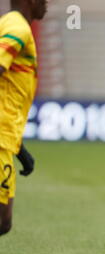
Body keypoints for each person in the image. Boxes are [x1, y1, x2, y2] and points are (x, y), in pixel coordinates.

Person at [0, 0, 47, 237]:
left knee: (3, 222)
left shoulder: (14, 25)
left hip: (8, 140)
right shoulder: (17, 27)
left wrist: (20, 150)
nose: (47, 4)